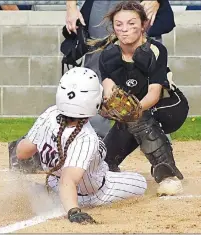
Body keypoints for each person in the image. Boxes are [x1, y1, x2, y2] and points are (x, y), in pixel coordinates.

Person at [14, 67, 147, 224]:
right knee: (141, 182)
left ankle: (47, 193)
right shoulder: (87, 137)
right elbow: (68, 181)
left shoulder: (50, 113)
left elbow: (22, 152)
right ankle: (66, 200)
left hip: (54, 184)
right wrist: (73, 211)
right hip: (92, 195)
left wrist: (38, 138)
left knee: (72, 174)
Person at [88, 1, 189, 196]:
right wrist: (111, 103)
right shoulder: (108, 55)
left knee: (137, 118)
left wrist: (132, 110)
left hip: (168, 108)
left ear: (143, 25)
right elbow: (109, 87)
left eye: (131, 24)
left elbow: (154, 93)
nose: (124, 30)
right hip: (135, 114)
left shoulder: (155, 50)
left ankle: (167, 176)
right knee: (104, 163)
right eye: (119, 25)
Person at [65, 0, 176, 138]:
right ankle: (95, 135)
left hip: (143, 2)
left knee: (150, 60)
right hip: (103, 5)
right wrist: (71, 7)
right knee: (96, 64)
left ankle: (156, 134)